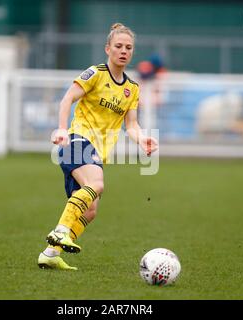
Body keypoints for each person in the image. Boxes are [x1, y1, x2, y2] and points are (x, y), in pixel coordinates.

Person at [38, 23, 158, 270]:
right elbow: (67, 99)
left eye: (129, 47)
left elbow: (132, 124)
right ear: (108, 49)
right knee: (97, 184)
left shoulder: (132, 89)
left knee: (90, 210)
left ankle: (50, 253)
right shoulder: (95, 73)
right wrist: (62, 128)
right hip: (77, 141)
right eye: (118, 46)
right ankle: (61, 230)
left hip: (95, 153)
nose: (124, 51)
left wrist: (142, 138)